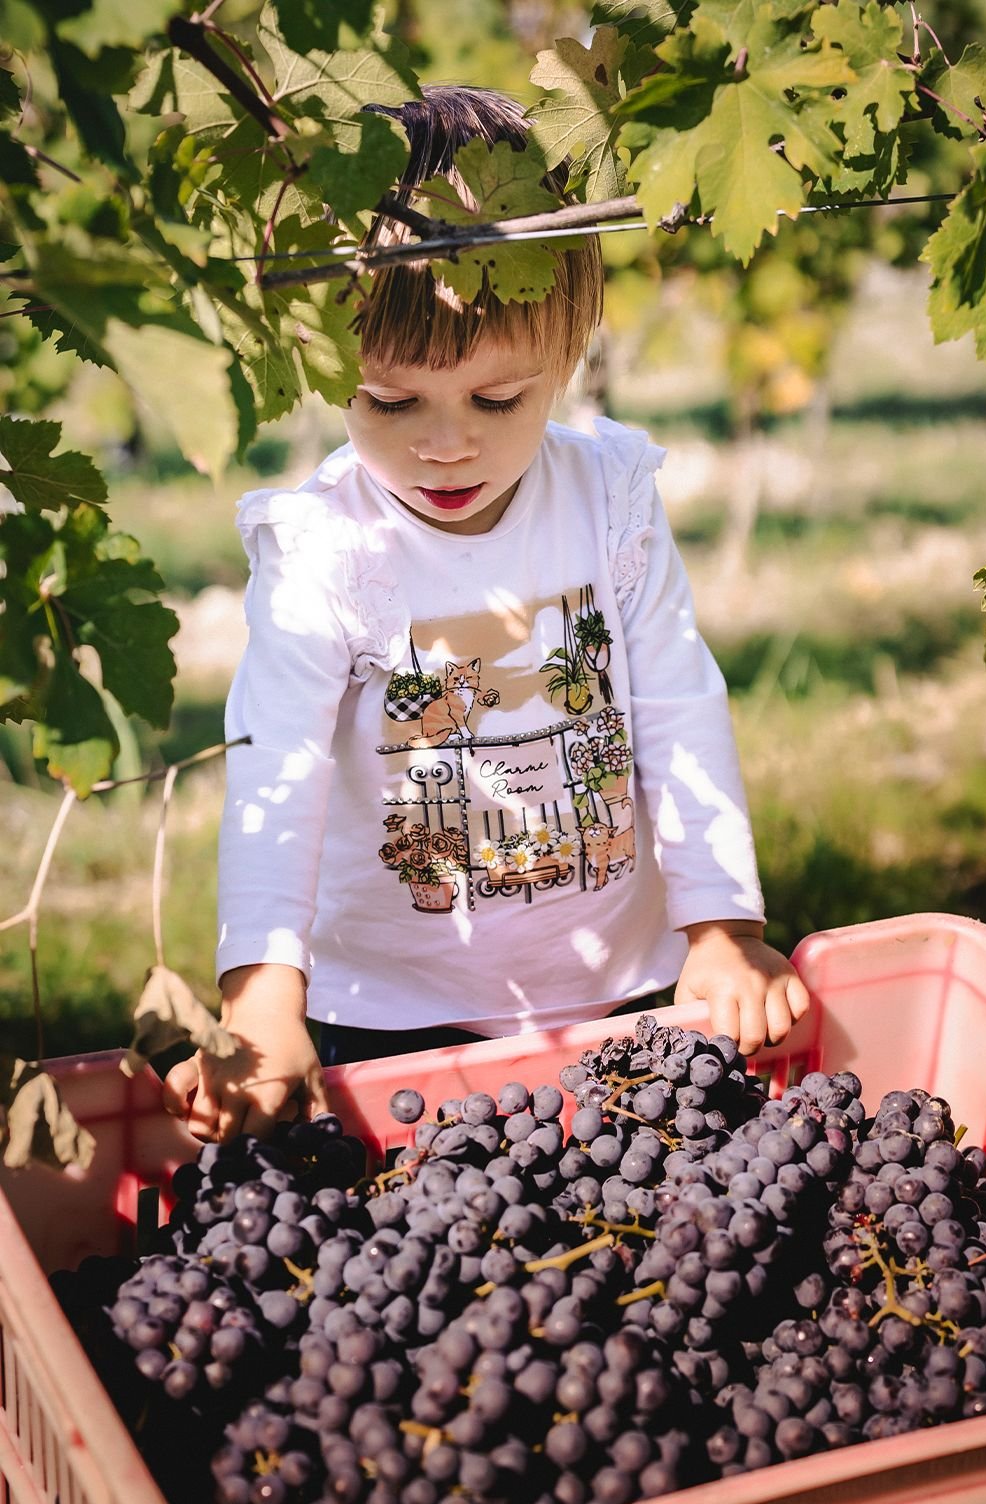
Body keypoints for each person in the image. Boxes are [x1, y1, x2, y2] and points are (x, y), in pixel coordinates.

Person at [164, 85, 808, 1144]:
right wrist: (263, 999)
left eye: (497, 400)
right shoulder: (326, 544)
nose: (446, 444)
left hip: (625, 989)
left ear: (570, 349)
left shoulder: (609, 499)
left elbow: (679, 708)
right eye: (391, 401)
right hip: (389, 1015)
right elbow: (277, 767)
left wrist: (723, 927)